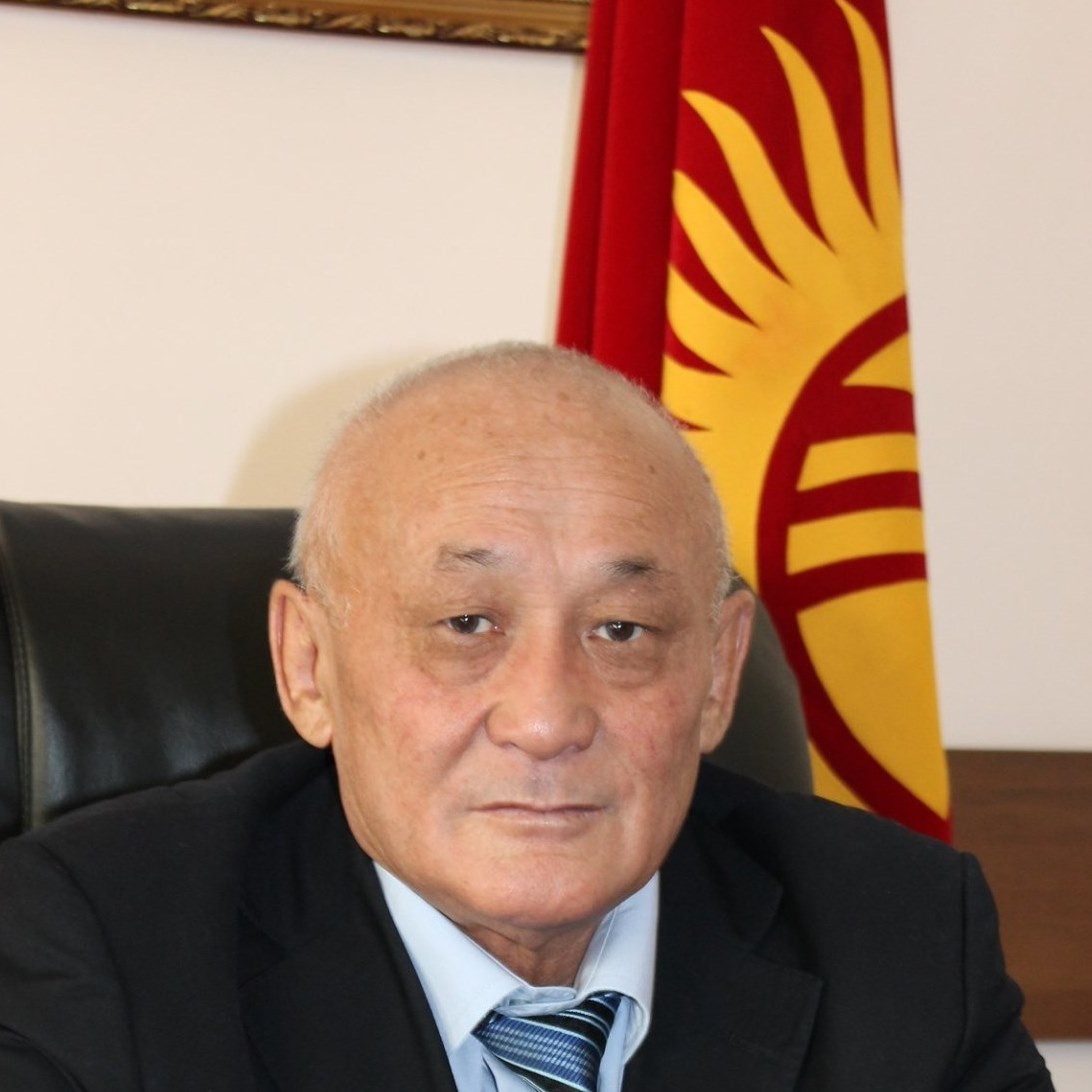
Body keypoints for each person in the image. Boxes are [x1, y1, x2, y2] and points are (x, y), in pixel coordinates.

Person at [0, 343, 1051, 1090]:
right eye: (466, 623)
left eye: (623, 630)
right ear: (308, 665)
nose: (547, 720)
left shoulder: (902, 941)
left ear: (720, 674)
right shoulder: (94, 953)